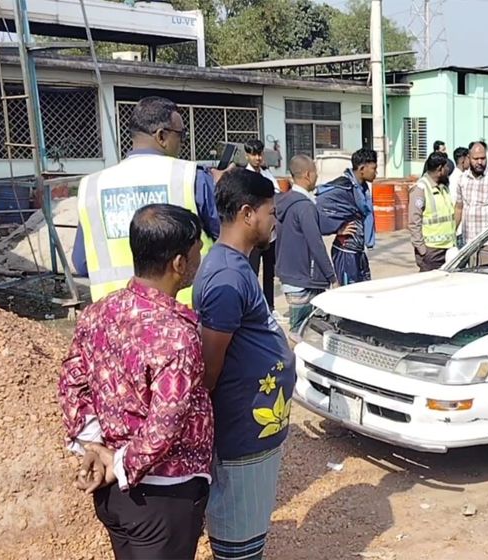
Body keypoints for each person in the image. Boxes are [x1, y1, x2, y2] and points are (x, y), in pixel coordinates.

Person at [59, 204, 213, 560]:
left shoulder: (99, 311)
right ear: (178, 264)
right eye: (197, 251)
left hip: (114, 494)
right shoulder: (176, 335)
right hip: (161, 497)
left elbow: (72, 380)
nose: (201, 257)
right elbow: (166, 422)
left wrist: (93, 444)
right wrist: (120, 464)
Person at [194, 169, 296, 560]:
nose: (274, 221)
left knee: (249, 530)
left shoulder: (237, 267)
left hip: (255, 428)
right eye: (272, 212)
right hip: (241, 433)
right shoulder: (226, 276)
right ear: (248, 213)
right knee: (239, 538)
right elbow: (209, 365)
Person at [71, 95, 221, 306]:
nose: (182, 142)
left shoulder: (92, 186)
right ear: (161, 136)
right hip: (187, 317)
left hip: (117, 322)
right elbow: (226, 241)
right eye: (182, 135)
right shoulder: (191, 178)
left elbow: (82, 262)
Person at [275, 155, 342, 332]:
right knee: (301, 332)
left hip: (289, 275)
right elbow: (316, 244)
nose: (317, 177)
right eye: (315, 172)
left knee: (298, 328)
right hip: (304, 278)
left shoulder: (285, 201)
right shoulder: (304, 207)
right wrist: (332, 278)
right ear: (307, 174)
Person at [317, 148, 378, 285]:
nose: (376, 172)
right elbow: (319, 205)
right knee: (348, 294)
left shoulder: (362, 189)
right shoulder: (344, 187)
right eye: (374, 168)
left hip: (358, 251)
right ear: (362, 168)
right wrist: (336, 228)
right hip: (345, 252)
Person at [454, 141, 488, 265]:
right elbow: (459, 207)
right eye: (476, 158)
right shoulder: (462, 179)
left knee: (485, 277)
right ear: (469, 158)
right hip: (468, 242)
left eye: (483, 158)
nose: (480, 162)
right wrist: (452, 231)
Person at [245, 139, 280, 313]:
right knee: (252, 270)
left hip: (270, 231)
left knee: (269, 272)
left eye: (259, 154)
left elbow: (277, 194)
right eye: (253, 154)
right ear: (247, 155)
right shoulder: (243, 177)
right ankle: (254, 308)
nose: (257, 158)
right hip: (254, 232)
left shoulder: (267, 175)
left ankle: (270, 307)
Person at [409, 152, 456, 272]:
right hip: (431, 251)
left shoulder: (443, 187)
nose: (448, 170)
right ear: (440, 168)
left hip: (448, 248)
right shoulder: (420, 189)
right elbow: (414, 222)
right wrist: (422, 250)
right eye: (446, 167)